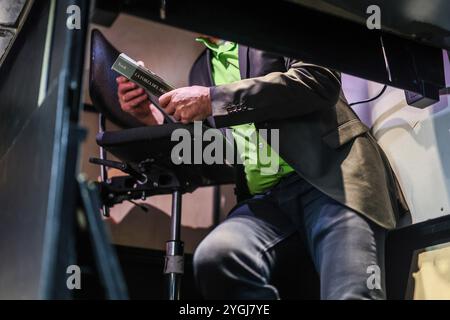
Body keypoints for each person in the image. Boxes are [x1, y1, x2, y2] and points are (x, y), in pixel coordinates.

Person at [116, 36, 407, 300]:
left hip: (331, 178)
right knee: (217, 257)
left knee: (350, 294)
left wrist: (212, 99)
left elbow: (320, 81)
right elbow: (212, 151)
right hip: (265, 203)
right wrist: (150, 117)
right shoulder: (200, 69)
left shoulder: (269, 23)